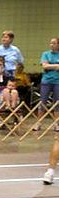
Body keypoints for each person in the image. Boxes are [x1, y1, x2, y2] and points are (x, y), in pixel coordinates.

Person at [41, 37, 59, 184]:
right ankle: (50, 171)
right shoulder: (46, 54)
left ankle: (50, 172)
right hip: (48, 81)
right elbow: (45, 66)